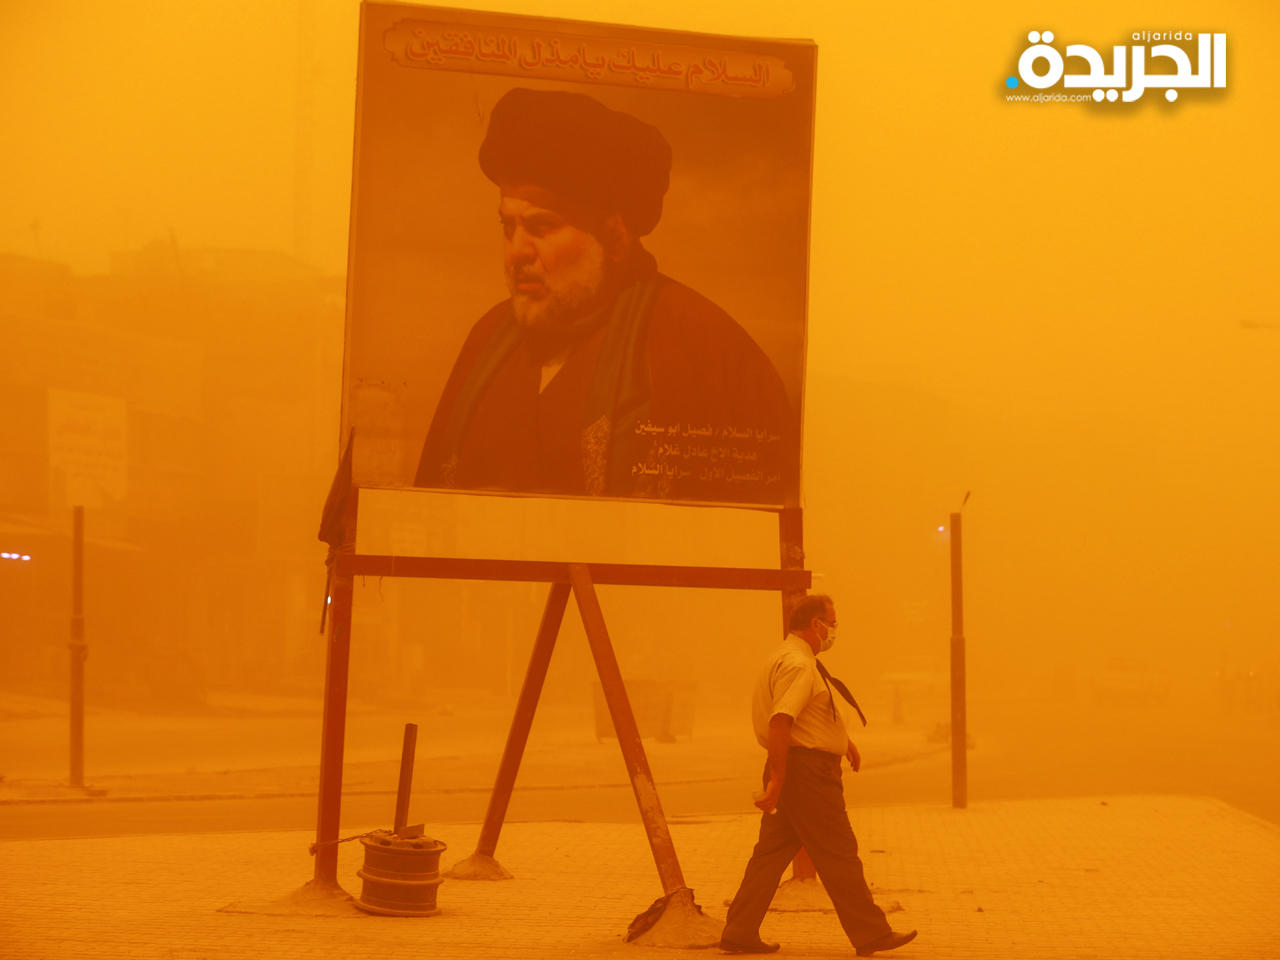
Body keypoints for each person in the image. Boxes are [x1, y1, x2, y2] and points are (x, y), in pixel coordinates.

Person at [414, 86, 795, 505]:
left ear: (614, 238)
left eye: (541, 228)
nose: (517, 252)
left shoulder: (705, 347)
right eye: (508, 228)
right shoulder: (487, 339)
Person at [720, 594, 918, 956]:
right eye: (833, 622)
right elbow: (782, 720)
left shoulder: (784, 658)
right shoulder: (798, 665)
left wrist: (844, 743)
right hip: (806, 773)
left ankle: (739, 930)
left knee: (770, 853)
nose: (834, 630)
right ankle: (871, 933)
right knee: (839, 851)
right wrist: (779, 779)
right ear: (816, 624)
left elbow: (807, 717)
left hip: (797, 766)